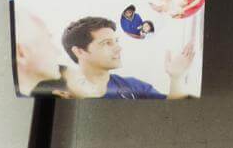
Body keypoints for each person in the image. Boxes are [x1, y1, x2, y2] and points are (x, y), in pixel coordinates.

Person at [61, 16, 194, 99]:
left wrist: (177, 78)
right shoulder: (62, 92)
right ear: (79, 51)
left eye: (116, 41)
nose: (118, 48)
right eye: (107, 43)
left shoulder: (134, 87)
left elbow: (172, 116)